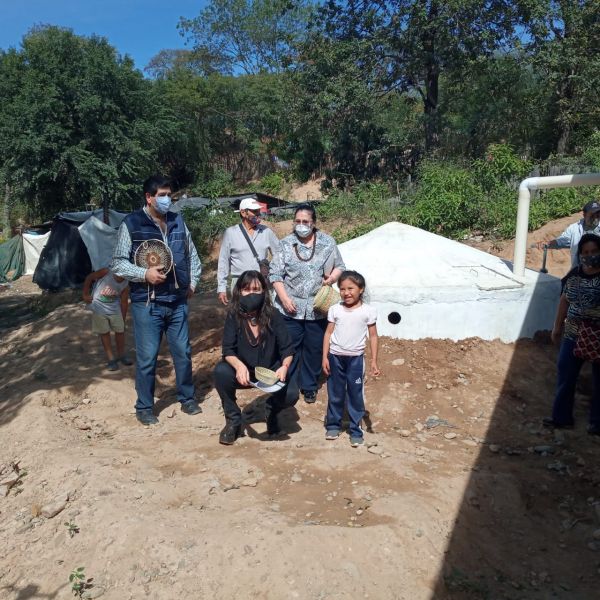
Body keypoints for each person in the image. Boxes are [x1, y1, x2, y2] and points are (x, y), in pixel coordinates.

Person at [112, 175, 202, 426]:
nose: (167, 200)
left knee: (183, 353)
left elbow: (192, 254)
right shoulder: (131, 224)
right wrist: (144, 274)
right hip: (146, 304)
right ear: (149, 197)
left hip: (177, 301)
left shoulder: (177, 221)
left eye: (169, 195)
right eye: (161, 195)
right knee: (148, 357)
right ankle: (144, 406)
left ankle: (187, 398)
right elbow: (118, 264)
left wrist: (192, 282)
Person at [270, 203, 345, 405]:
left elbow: (339, 266)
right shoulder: (285, 244)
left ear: (313, 223)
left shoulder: (328, 242)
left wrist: (331, 280)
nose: (301, 225)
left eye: (305, 222)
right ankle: (289, 383)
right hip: (290, 306)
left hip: (317, 307)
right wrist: (285, 299)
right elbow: (275, 274)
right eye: (298, 221)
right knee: (290, 347)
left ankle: (309, 386)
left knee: (313, 348)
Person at [214, 270, 294, 444]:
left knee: (292, 392)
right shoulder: (233, 315)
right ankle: (233, 421)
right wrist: (239, 366)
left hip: (269, 372)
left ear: (264, 292)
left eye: (256, 290)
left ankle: (272, 411)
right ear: (239, 292)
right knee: (221, 372)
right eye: (246, 289)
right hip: (244, 373)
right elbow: (227, 349)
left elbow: (287, 349)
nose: (251, 294)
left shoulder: (273, 314)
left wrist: (284, 367)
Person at [544, 233, 600, 435]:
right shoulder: (574, 275)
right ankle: (561, 417)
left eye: (594, 251)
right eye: (586, 252)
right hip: (573, 333)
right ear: (580, 254)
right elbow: (564, 301)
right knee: (566, 375)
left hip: (598, 335)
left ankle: (597, 423)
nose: (590, 255)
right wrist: (557, 327)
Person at [322, 270, 380, 447]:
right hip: (335, 357)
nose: (346, 292)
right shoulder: (335, 309)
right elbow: (328, 333)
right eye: (342, 288)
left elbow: (373, 336)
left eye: (351, 288)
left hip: (355, 359)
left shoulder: (368, 311)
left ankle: (356, 429)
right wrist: (324, 356)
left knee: (355, 394)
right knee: (335, 392)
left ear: (361, 289)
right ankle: (333, 425)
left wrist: (373, 361)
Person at [217, 197, 280, 305]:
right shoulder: (231, 233)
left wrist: (274, 273)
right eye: (254, 211)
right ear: (243, 213)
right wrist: (221, 287)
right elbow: (223, 260)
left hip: (261, 283)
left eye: (258, 211)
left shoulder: (266, 232)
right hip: (240, 284)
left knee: (264, 316)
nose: (258, 214)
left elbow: (279, 254)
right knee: (241, 317)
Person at [82, 267, 131, 371]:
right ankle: (111, 358)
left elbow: (124, 302)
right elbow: (89, 277)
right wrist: (85, 294)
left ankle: (121, 355)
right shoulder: (106, 272)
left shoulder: (125, 283)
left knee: (120, 331)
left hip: (114, 308)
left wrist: (123, 318)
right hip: (99, 307)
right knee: (104, 332)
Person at [536, 201, 600, 268]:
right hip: (580, 271)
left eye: (598, 213)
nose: (596, 217)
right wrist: (548, 243)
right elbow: (560, 241)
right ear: (584, 215)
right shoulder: (574, 228)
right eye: (592, 214)